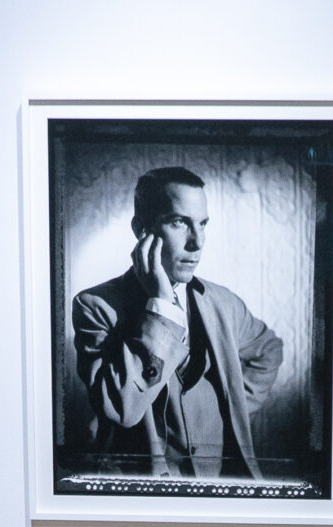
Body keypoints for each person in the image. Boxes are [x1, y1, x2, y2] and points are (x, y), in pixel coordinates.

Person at [71, 167, 284, 481]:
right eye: (179, 222)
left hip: (219, 491)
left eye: (202, 224)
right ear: (141, 228)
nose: (196, 242)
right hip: (141, 497)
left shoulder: (223, 302)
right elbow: (122, 410)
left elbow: (268, 350)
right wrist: (161, 307)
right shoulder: (95, 306)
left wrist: (230, 409)